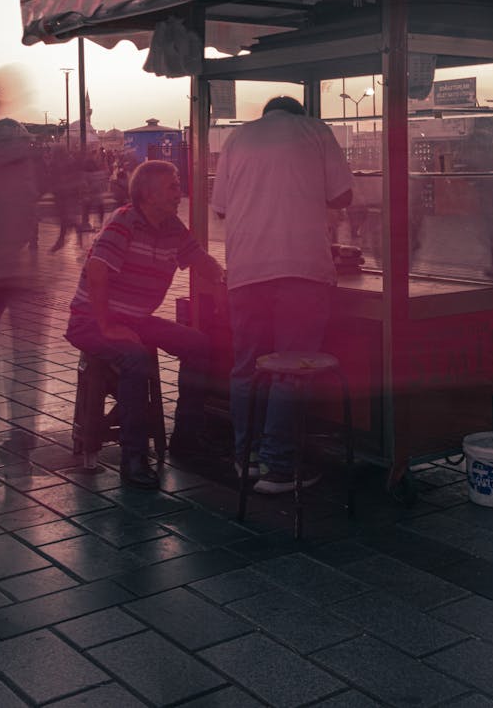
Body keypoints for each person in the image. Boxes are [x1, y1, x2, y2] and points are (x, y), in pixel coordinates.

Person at [211, 96, 353, 494]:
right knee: (291, 366)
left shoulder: (237, 139)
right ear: (298, 112)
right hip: (302, 269)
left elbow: (219, 207)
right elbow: (343, 195)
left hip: (245, 270)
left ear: (267, 113)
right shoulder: (315, 130)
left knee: (246, 367)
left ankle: (247, 459)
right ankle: (278, 466)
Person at [65, 160, 226, 489]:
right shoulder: (125, 222)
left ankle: (187, 436)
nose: (178, 193)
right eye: (172, 186)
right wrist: (107, 326)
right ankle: (134, 458)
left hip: (136, 319)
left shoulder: (172, 227)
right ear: (148, 194)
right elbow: (97, 272)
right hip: (90, 320)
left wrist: (223, 281)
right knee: (136, 359)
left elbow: (200, 261)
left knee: (197, 345)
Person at [0, 116, 38, 448]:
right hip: (7, 270)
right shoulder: (13, 153)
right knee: (8, 349)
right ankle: (17, 425)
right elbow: (27, 205)